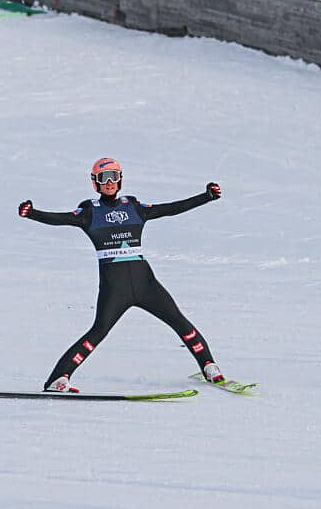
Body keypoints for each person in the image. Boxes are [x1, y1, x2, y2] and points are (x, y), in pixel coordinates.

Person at [18, 158, 226, 392]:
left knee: (180, 322)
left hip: (146, 284)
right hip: (115, 289)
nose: (109, 183)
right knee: (98, 332)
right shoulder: (89, 212)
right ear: (95, 183)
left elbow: (170, 209)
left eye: (114, 177)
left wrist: (205, 197)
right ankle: (59, 379)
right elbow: (60, 219)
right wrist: (32, 213)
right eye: (104, 179)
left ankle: (208, 365)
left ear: (121, 180)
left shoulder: (133, 207)